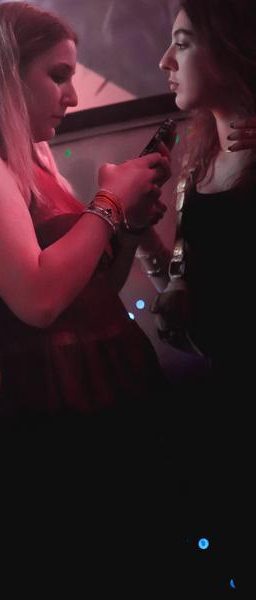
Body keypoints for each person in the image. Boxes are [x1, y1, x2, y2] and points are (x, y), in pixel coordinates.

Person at [0, 2, 175, 593]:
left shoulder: (37, 156)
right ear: (5, 75)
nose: (73, 95)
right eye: (58, 75)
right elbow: (38, 301)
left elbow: (92, 292)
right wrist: (108, 203)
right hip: (58, 413)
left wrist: (129, 226)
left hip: (113, 381)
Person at [139, 0, 256, 590]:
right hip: (229, 404)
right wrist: (141, 236)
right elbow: (182, 298)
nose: (165, 60)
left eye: (182, 43)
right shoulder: (196, 167)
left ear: (233, 46)